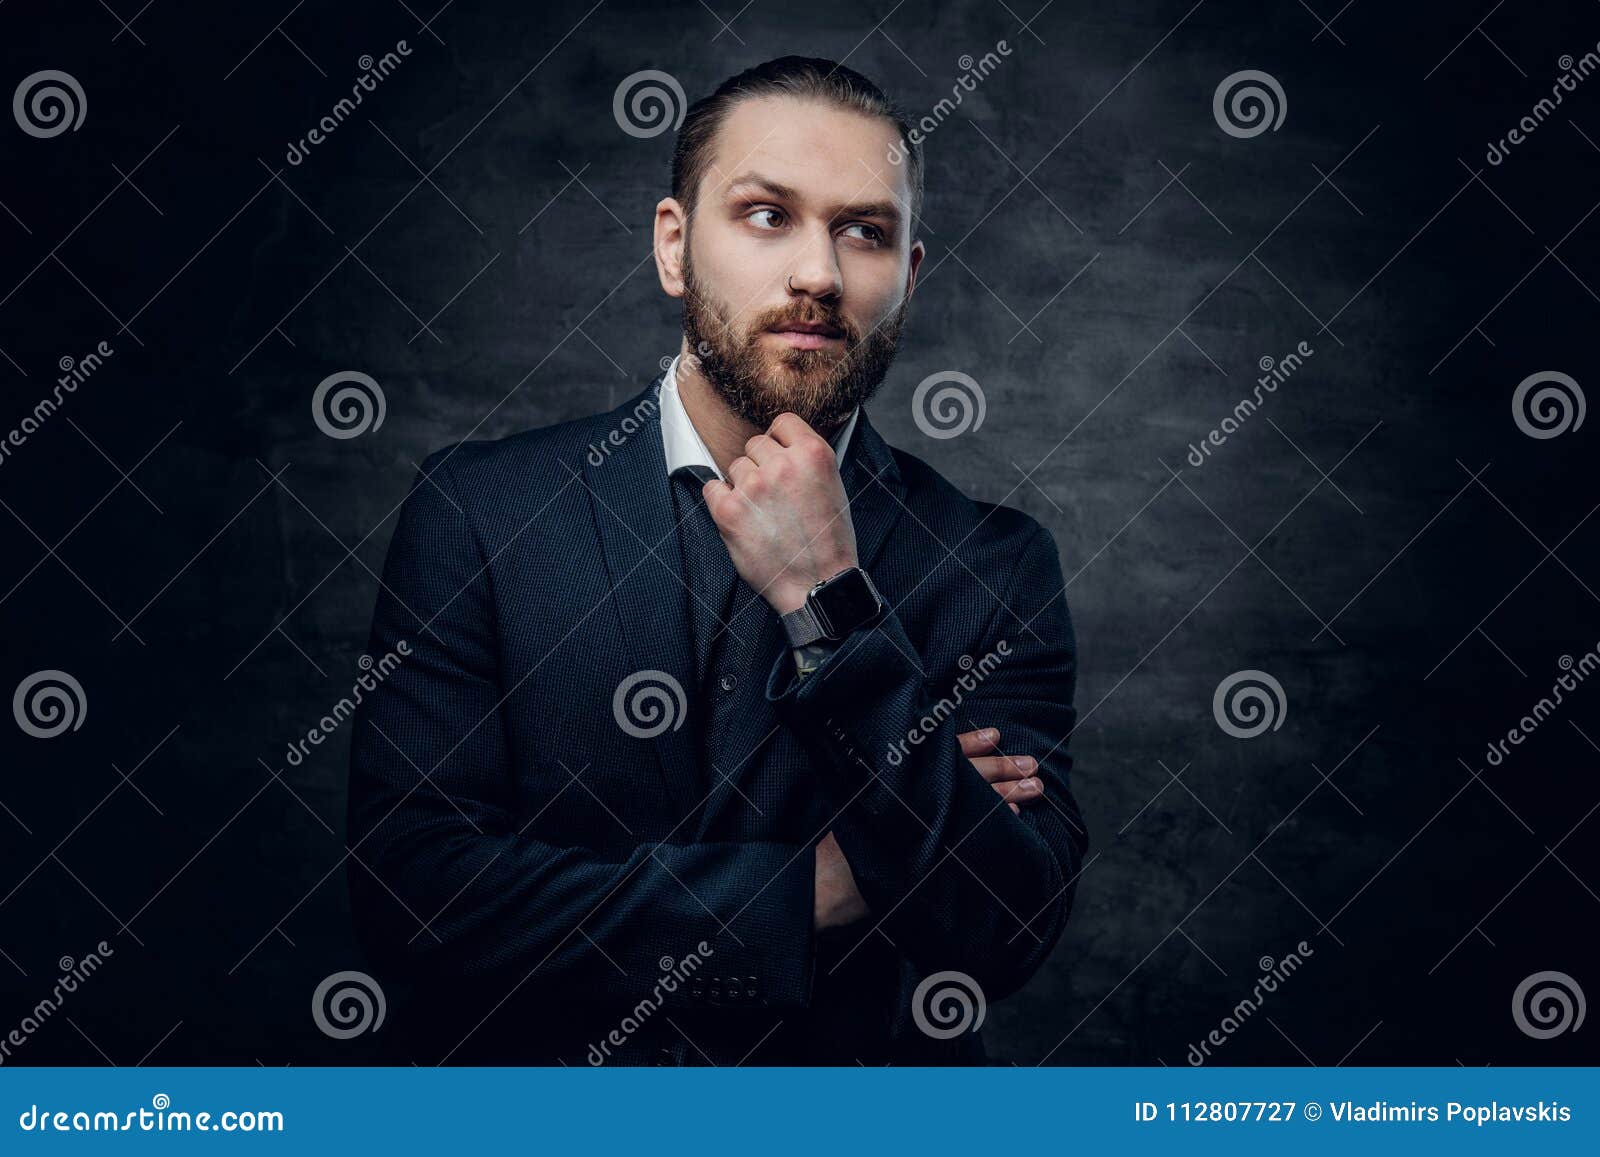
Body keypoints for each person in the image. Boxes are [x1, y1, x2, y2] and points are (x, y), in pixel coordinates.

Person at [347, 55, 1088, 1065]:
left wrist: (828, 599)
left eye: (864, 231)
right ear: (673, 245)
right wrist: (809, 892)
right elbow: (415, 897)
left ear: (906, 278)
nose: (818, 275)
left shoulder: (992, 564)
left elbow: (1001, 921)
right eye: (766, 215)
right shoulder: (482, 511)